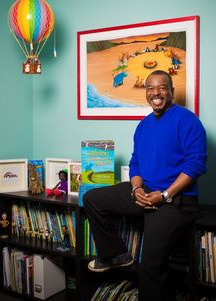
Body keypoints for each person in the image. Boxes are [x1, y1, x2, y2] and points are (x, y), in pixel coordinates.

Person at [83, 70, 207, 301]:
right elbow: (135, 162)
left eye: (162, 87)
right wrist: (136, 189)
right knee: (92, 199)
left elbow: (196, 165)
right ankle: (116, 254)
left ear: (171, 91)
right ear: (146, 92)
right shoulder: (143, 125)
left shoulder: (188, 121)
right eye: (150, 88)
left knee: (151, 265)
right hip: (146, 191)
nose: (156, 93)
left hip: (176, 200)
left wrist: (164, 195)